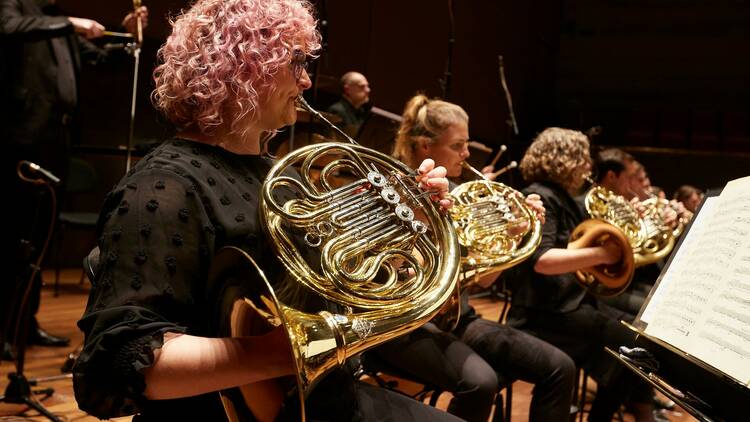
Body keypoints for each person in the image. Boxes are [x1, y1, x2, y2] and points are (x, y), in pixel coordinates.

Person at [72, 1, 460, 421]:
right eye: (296, 63)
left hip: (315, 399)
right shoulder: (163, 186)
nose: (308, 81)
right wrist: (283, 351)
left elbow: (325, 283)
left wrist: (406, 227)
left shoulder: (272, 173)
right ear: (245, 66)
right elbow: (113, 368)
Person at [371, 94, 576, 422]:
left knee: (560, 367)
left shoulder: (455, 195)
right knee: (481, 383)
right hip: (406, 323)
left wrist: (514, 233)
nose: (467, 154)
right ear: (425, 146)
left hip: (457, 318)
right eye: (458, 145)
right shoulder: (388, 189)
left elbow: (483, 279)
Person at [0, 0, 147, 359]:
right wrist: (71, 22)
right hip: (22, 138)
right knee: (12, 235)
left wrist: (128, 33)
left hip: (56, 139)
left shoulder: (54, 19)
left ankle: (24, 323)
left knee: (40, 236)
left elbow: (100, 57)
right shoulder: (18, 6)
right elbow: (8, 27)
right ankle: (1, 329)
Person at [508, 127, 657, 421]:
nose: (589, 166)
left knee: (638, 347)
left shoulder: (561, 197)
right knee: (634, 349)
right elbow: (543, 260)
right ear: (563, 159)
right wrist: (604, 255)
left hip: (570, 303)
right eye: (583, 159)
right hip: (544, 311)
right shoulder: (540, 196)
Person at [326, 71, 371, 136]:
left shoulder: (361, 111)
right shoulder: (337, 110)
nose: (368, 90)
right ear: (347, 89)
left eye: (367, 86)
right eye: (362, 86)